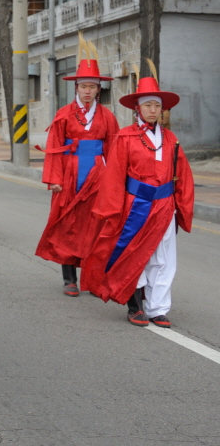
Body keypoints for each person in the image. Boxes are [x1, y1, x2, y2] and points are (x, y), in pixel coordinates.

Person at [81, 75, 193, 328]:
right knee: (132, 254)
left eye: (157, 106)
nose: (153, 110)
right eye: (147, 105)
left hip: (164, 205)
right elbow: (114, 176)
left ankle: (158, 309)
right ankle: (135, 306)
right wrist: (112, 209)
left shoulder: (171, 139)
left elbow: (183, 175)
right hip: (135, 206)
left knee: (163, 259)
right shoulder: (125, 137)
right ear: (137, 108)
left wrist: (181, 206)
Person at [35, 57, 120, 296]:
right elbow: (54, 146)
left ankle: (93, 278)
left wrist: (116, 181)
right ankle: (69, 279)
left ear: (98, 89)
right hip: (69, 173)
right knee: (67, 224)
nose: (87, 91)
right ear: (76, 88)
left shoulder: (107, 117)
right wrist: (54, 178)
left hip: (98, 173)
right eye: (83, 86)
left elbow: (115, 151)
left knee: (96, 225)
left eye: (92, 87)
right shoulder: (64, 114)